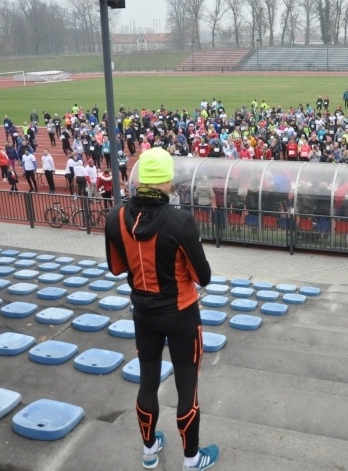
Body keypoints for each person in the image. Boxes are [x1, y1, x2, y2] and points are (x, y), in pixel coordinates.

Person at [104, 147, 218, 471]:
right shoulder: (180, 221)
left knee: (148, 382)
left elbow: (115, 266)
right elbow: (203, 277)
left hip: (143, 314)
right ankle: (192, 458)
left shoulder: (116, 217)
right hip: (181, 314)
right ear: (166, 181)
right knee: (186, 387)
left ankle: (149, 450)